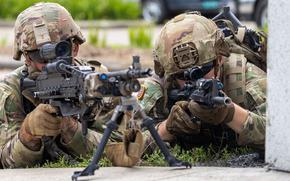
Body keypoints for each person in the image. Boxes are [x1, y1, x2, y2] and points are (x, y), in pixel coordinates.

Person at [0, 2, 143, 169]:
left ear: (74, 47)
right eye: (42, 58)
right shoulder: (12, 90)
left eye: (61, 52)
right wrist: (28, 134)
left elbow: (124, 149)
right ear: (27, 58)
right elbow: (6, 162)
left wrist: (71, 130)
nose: (53, 64)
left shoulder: (94, 79)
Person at [138, 12, 266, 151]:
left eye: (201, 71)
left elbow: (281, 134)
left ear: (219, 59)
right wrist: (167, 129)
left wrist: (230, 113)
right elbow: (122, 146)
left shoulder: (244, 77)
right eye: (182, 75)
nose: (194, 81)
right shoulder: (160, 87)